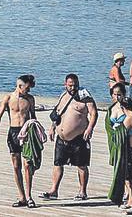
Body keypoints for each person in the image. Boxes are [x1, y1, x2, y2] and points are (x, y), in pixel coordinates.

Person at [42, 73, 97, 201]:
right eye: (70, 85)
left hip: (79, 138)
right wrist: (52, 128)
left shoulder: (85, 97)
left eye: (75, 85)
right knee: (57, 164)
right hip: (61, 138)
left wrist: (89, 128)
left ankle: (82, 192)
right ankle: (54, 190)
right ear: (65, 84)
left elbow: (94, 113)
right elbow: (57, 113)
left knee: (82, 165)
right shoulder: (63, 96)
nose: (73, 88)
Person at [0, 74, 39, 208]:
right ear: (20, 86)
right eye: (27, 88)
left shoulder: (30, 99)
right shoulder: (8, 98)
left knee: (27, 165)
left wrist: (36, 134)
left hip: (26, 133)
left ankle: (29, 196)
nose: (28, 91)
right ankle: (22, 197)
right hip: (13, 132)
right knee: (16, 166)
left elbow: (33, 117)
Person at [105, 82, 132, 213]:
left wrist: (114, 129)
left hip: (130, 152)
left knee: (131, 180)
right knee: (130, 179)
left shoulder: (129, 119)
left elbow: (119, 134)